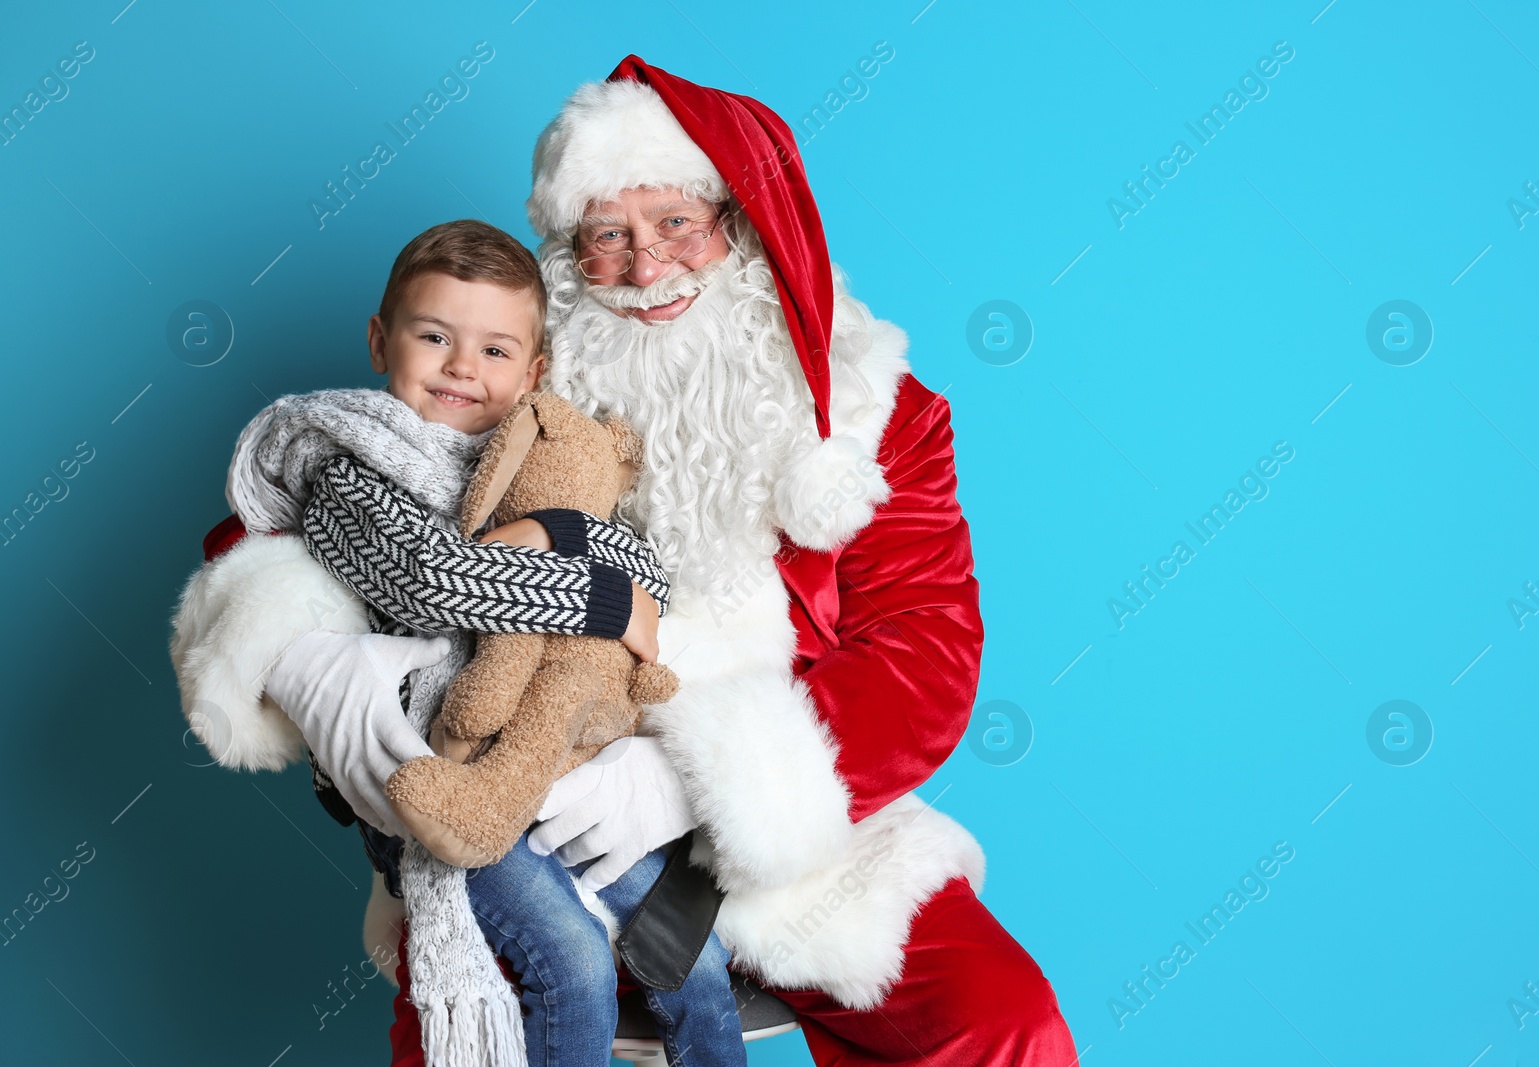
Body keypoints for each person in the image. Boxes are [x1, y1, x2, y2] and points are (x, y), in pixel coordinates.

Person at [172, 58, 1080, 1066]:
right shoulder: (514, 374)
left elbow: (926, 656)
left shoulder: (875, 416)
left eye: (676, 225)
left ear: (736, 225)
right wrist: (310, 666)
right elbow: (310, 501)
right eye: (608, 237)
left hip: (788, 817)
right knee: (461, 1030)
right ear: (568, 256)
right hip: (536, 801)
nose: (648, 271)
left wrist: (691, 785)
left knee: (1004, 1022)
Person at [176, 218, 746, 1066]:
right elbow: (436, 582)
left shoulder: (537, 457)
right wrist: (601, 596)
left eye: (494, 350)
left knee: (695, 956)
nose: (461, 368)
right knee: (575, 965)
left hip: (556, 757)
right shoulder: (348, 467)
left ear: (534, 373)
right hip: (441, 769)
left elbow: (645, 571)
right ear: (380, 340)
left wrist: (556, 531)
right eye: (434, 336)